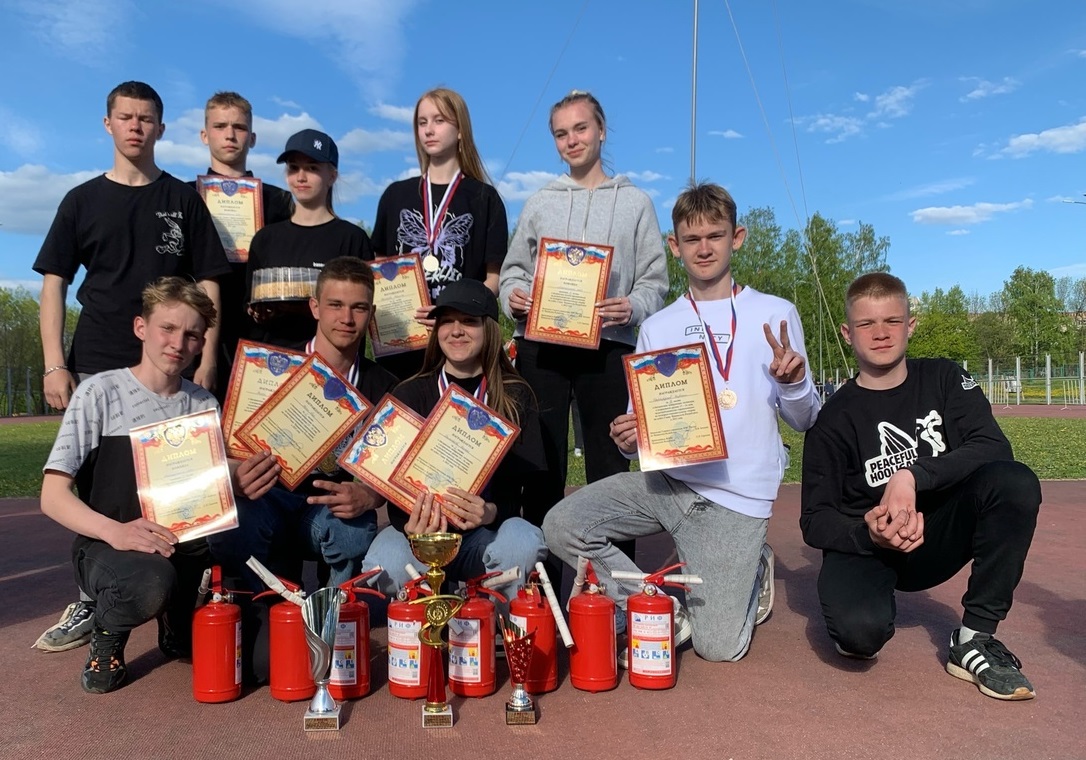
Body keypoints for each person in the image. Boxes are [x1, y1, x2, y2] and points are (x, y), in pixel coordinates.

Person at [544, 181, 820, 663]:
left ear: (737, 238)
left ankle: (753, 566)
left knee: (719, 650)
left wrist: (794, 383)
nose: (704, 248)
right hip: (668, 484)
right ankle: (657, 609)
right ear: (675, 246)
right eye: (692, 239)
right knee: (563, 523)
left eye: (715, 236)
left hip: (735, 498)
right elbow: (641, 426)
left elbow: (805, 418)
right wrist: (627, 438)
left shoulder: (776, 314)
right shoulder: (658, 326)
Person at [32, 81, 230, 653]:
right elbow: (54, 283)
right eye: (126, 117)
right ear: (108, 124)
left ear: (161, 128)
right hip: (98, 355)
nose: (136, 127)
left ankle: (175, 590)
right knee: (100, 485)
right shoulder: (82, 199)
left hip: (170, 356)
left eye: (146, 119)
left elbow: (208, 281)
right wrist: (53, 363)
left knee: (178, 481)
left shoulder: (182, 199)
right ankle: (95, 590)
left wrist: (206, 358)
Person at [800, 272, 1041, 701]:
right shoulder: (832, 419)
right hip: (870, 545)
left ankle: (974, 638)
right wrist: (869, 533)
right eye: (866, 323)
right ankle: (859, 612)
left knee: (1014, 482)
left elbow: (993, 446)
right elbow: (814, 519)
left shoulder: (944, 378)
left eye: (892, 321)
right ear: (847, 332)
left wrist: (911, 476)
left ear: (910, 324)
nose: (880, 333)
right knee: (859, 636)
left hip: (938, 535)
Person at [211, 257, 397, 683]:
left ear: (370, 314)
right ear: (314, 307)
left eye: (359, 307)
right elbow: (224, 448)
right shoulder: (268, 366)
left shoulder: (382, 384)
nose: (346, 318)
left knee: (355, 528)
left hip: (325, 514)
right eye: (335, 305)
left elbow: (390, 470)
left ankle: (336, 613)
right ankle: (255, 606)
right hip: (268, 503)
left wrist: (370, 494)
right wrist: (236, 475)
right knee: (234, 524)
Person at [500, 90, 669, 539]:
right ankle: (541, 575)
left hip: (609, 347)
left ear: (601, 131)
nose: (571, 140)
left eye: (580, 128)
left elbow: (655, 281)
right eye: (561, 134)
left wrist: (633, 306)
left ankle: (612, 574)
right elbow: (513, 272)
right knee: (542, 463)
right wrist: (514, 296)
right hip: (542, 349)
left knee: (610, 466)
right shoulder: (540, 202)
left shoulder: (635, 202)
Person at [38, 277, 219, 693]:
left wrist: (234, 479)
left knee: (221, 574)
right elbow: (52, 496)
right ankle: (108, 632)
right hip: (109, 545)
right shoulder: (99, 393)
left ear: (201, 343)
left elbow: (207, 490)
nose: (178, 343)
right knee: (149, 582)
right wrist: (115, 532)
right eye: (167, 328)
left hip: (183, 544)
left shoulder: (203, 403)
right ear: (141, 327)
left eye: (192, 335)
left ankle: (176, 618)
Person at [363, 278, 548, 608]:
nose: (456, 330)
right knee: (385, 564)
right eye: (447, 321)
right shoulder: (409, 393)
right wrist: (408, 524)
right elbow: (391, 487)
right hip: (419, 537)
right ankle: (428, 623)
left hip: (482, 537)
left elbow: (518, 491)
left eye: (469, 321)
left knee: (524, 541)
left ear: (489, 328)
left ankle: (490, 616)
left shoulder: (514, 396)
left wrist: (489, 511)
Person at [370, 88, 509, 380]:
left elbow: (494, 279)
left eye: (439, 120)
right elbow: (379, 267)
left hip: (459, 345)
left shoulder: (484, 198)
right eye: (422, 122)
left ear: (460, 130)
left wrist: (452, 314)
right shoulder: (395, 195)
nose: (429, 130)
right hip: (404, 341)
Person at [192, 91, 293, 398]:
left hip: (262, 334)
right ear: (204, 135)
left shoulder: (280, 201)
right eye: (220, 126)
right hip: (198, 332)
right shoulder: (185, 197)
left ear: (253, 137)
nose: (230, 135)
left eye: (239, 127)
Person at [244, 129, 373, 351]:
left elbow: (363, 311)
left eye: (312, 168)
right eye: (294, 168)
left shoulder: (352, 238)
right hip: (274, 360)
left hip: (333, 360)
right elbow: (250, 309)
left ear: (332, 176)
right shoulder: (265, 239)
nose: (301, 177)